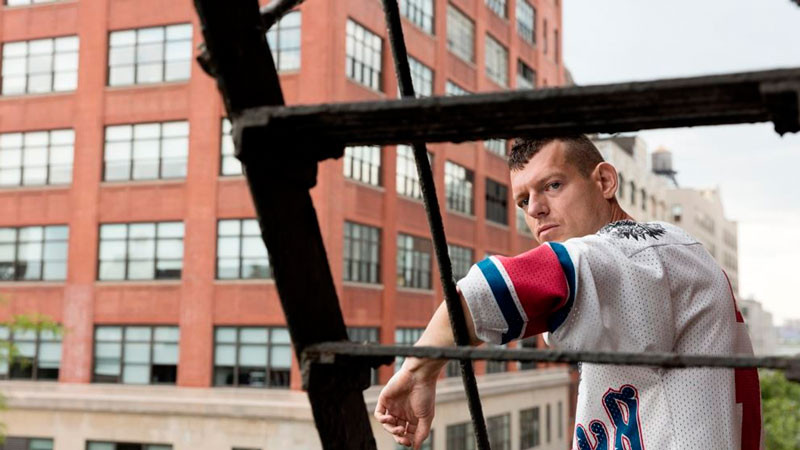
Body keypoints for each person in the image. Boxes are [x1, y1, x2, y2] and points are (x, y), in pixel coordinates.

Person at [374, 135, 762, 450]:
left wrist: (418, 370)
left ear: (605, 182)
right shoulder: (664, 254)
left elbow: (484, 293)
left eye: (553, 185)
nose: (535, 209)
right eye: (523, 200)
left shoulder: (639, 252)